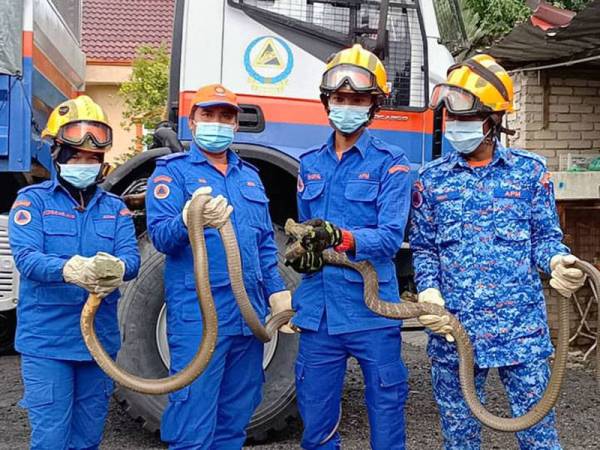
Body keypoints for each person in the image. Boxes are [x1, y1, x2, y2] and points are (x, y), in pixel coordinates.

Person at [410, 54, 586, 450]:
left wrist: (558, 261)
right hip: (455, 335)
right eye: (450, 118)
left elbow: (544, 238)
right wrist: (428, 291)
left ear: (492, 120)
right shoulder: (432, 180)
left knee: (539, 435)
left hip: (520, 333)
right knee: (460, 438)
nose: (454, 125)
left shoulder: (529, 172)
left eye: (465, 117)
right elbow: (423, 248)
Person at [146, 83, 292, 449]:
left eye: (225, 116)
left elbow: (262, 244)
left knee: (235, 420)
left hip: (248, 316)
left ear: (235, 124)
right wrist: (189, 218)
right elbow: (162, 238)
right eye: (207, 115)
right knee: (193, 421)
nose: (217, 123)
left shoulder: (250, 177)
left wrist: (278, 294)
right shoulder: (172, 173)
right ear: (192, 123)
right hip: (200, 316)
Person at [286, 44, 412, 450]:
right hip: (319, 313)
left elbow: (391, 237)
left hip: (372, 309)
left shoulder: (392, 163)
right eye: (340, 99)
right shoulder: (309, 163)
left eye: (357, 99)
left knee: (387, 411)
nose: (347, 106)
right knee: (316, 421)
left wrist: (339, 237)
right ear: (327, 102)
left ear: (372, 106)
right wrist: (306, 253)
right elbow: (306, 227)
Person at [9, 95, 141, 450]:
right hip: (48, 344)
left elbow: (132, 258)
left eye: (92, 158)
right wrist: (68, 269)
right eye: (76, 156)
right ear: (57, 155)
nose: (85, 163)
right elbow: (26, 257)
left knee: (87, 440)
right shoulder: (32, 201)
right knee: (51, 439)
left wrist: (118, 267)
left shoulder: (115, 210)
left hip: (98, 346)